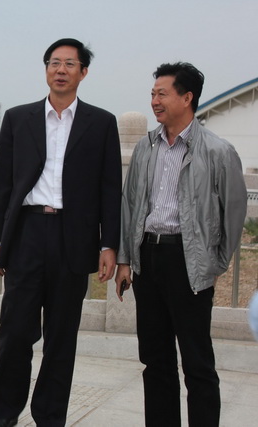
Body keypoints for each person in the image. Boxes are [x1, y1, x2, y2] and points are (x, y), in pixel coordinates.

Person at [0, 38, 122, 427]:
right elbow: (2, 183)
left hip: (73, 238)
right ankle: (3, 415)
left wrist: (109, 244)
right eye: (54, 62)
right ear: (46, 69)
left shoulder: (101, 123)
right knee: (15, 332)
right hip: (27, 234)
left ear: (83, 72)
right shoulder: (18, 118)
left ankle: (50, 418)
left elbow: (110, 189)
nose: (60, 70)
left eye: (69, 64)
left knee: (61, 339)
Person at [115, 62, 247, 427]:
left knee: (197, 361)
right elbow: (130, 205)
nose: (154, 101)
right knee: (155, 359)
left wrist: (213, 263)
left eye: (162, 94)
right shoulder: (146, 148)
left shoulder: (218, 151)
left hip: (188, 261)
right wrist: (125, 259)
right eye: (152, 94)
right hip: (148, 257)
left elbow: (234, 213)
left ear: (187, 98)